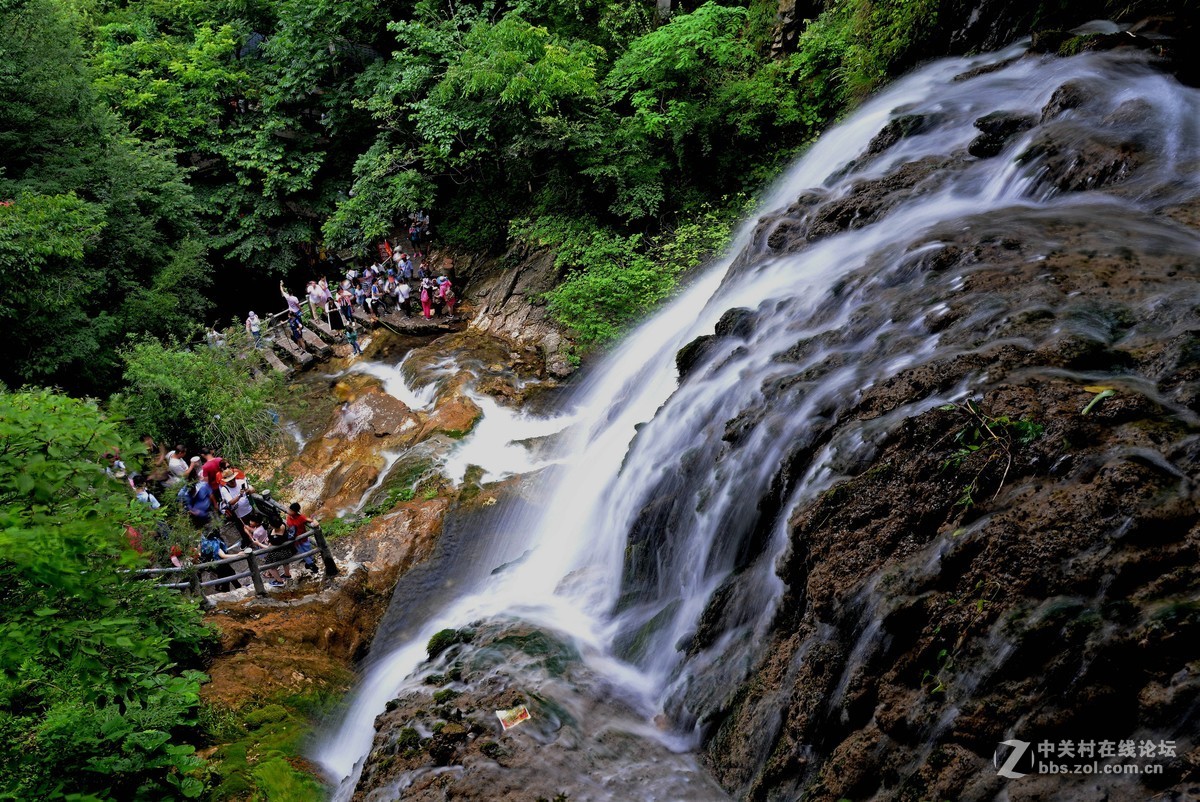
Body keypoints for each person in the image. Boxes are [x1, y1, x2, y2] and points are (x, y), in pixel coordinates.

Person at [219, 468, 254, 547]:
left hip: (249, 509)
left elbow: (253, 489)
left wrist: (248, 490)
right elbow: (231, 502)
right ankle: (248, 543)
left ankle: (256, 540)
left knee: (254, 527)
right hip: (239, 514)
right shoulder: (224, 489)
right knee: (243, 530)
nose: (233, 482)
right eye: (230, 481)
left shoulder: (241, 482)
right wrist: (240, 495)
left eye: (233, 479)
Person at [200, 528, 239, 592]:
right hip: (221, 564)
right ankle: (228, 590)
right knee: (229, 575)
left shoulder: (203, 542)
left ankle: (222, 587)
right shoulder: (214, 544)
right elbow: (223, 555)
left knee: (225, 575)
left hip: (212, 564)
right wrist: (238, 555)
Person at [285, 502, 318, 572]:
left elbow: (309, 520)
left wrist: (314, 520)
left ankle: (311, 560)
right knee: (302, 552)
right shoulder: (288, 517)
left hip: (303, 538)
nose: (288, 511)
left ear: (295, 512)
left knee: (307, 550)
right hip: (295, 540)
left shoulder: (301, 517)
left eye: (291, 510)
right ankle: (312, 564)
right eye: (289, 509)